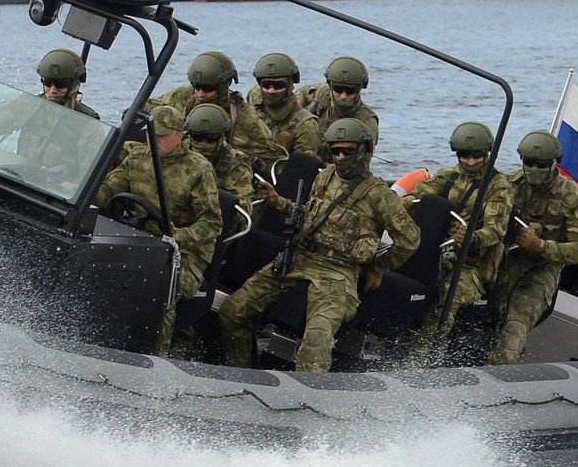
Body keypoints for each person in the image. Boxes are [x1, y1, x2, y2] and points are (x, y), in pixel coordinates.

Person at [220, 117, 420, 372]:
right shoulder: (325, 177)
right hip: (300, 257)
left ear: (362, 150)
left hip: (338, 272)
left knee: (316, 340)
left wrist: (378, 267)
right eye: (335, 150)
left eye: (347, 151)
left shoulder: (378, 194)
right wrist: (275, 201)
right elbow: (309, 217)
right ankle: (240, 373)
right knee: (233, 311)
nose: (340, 157)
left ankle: (310, 396)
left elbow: (410, 239)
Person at [94, 105, 222, 355]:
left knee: (161, 287)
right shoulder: (138, 158)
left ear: (180, 135)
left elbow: (212, 223)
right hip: (144, 239)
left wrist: (180, 235)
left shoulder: (197, 169)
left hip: (187, 250)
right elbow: (107, 191)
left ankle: (155, 357)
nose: (152, 140)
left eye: (161, 135)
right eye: (150, 134)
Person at [404, 121, 515, 366]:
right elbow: (425, 192)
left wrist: (473, 237)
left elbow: (495, 230)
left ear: (487, 153)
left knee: (444, 302)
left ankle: (419, 364)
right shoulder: (449, 177)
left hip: (473, 266)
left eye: (477, 155)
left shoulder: (498, 187)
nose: (471, 162)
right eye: (465, 155)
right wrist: (410, 200)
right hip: (441, 253)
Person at [491, 130, 578, 364]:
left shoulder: (570, 195)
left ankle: (499, 368)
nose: (534, 169)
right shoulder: (509, 184)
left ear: (553, 163)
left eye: (541, 164)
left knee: (515, 324)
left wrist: (540, 246)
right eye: (529, 163)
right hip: (505, 261)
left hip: (542, 269)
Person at [0, 48, 106, 188]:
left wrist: (74, 186)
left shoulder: (88, 123)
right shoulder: (29, 104)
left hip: (55, 195)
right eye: (48, 82)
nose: (52, 90)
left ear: (73, 85)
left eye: (60, 84)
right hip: (19, 181)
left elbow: (90, 172)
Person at [150, 51, 285, 168]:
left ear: (224, 85)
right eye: (197, 87)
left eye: (208, 88)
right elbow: (147, 109)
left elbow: (275, 158)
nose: (200, 94)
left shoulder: (244, 118)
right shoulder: (183, 96)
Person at [245, 52, 321, 158]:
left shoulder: (306, 125)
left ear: (290, 85)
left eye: (279, 85)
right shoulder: (254, 97)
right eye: (266, 85)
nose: (271, 90)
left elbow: (303, 167)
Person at [184, 101, 252, 205]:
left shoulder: (235, 161)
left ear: (222, 136)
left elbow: (244, 204)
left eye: (211, 138)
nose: (203, 143)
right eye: (197, 136)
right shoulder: (176, 152)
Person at [304, 55, 380, 147]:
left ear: (360, 88)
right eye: (338, 89)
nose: (343, 96)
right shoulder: (319, 93)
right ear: (330, 86)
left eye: (350, 91)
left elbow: (363, 158)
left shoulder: (367, 122)